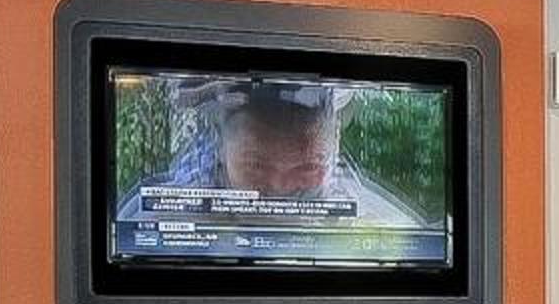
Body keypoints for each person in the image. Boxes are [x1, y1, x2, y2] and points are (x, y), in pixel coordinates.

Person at [118, 76, 410, 223]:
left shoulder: (372, 220)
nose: (279, 187)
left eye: (307, 166)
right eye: (256, 165)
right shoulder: (157, 217)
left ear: (333, 151)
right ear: (220, 149)